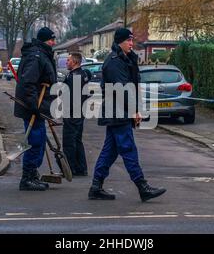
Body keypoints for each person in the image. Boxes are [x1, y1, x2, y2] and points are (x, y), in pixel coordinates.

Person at [88, 28, 167, 202]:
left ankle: (96, 186)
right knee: (128, 148)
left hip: (118, 112)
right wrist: (134, 111)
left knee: (110, 151)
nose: (131, 44)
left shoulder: (124, 59)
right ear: (119, 42)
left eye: (132, 40)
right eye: (128, 41)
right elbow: (123, 89)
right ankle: (142, 187)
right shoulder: (115, 62)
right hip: (118, 112)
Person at [14, 27, 57, 191]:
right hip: (33, 107)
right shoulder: (36, 56)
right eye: (51, 40)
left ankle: (32, 174)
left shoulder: (42, 54)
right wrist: (35, 106)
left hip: (39, 106)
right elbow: (28, 83)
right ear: (45, 40)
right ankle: (27, 178)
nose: (54, 43)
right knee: (34, 141)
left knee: (38, 141)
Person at [62, 52, 91, 176]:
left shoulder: (73, 77)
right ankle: (81, 168)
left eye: (68, 60)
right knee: (77, 140)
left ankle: (70, 169)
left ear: (74, 62)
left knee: (69, 141)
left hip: (73, 113)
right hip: (80, 112)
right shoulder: (84, 74)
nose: (66, 62)